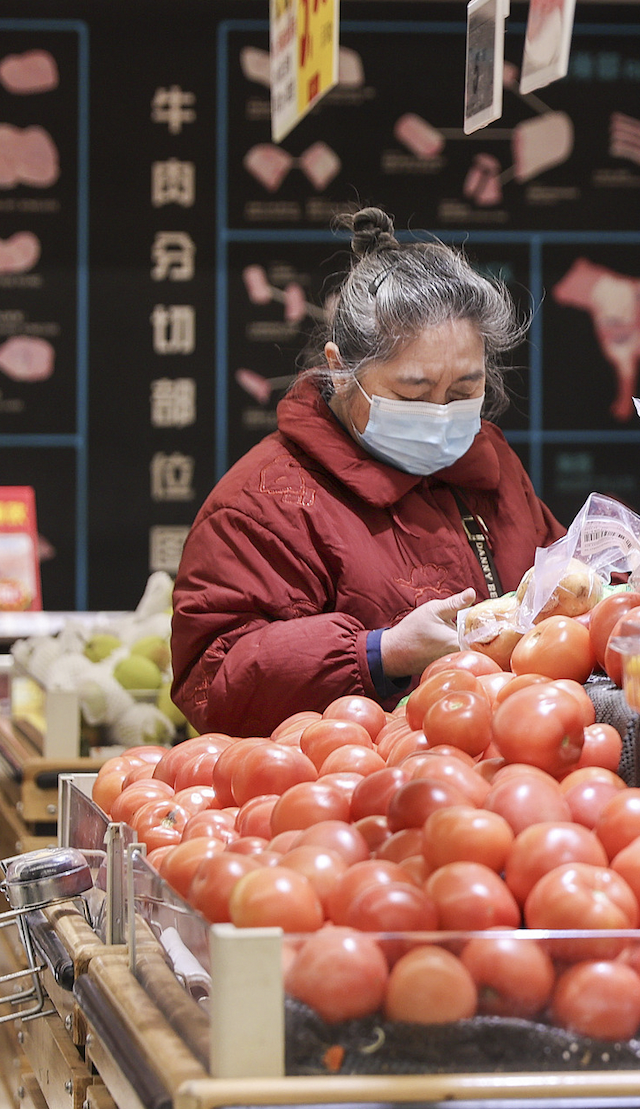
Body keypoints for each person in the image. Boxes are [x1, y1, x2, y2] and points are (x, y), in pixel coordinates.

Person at [171, 208, 563, 737]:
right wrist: (380, 652)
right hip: (353, 789)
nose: (442, 414)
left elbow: (558, 581)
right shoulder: (262, 502)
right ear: (339, 369)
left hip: (510, 760)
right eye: (413, 393)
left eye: (465, 391)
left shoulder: (489, 461)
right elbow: (212, 679)